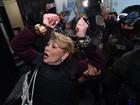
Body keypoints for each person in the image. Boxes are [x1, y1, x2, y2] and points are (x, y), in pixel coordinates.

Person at [10, 14, 78, 105]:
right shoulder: (38, 59)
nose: (47, 48)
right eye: (48, 44)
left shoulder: (66, 81)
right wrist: (44, 27)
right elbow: (17, 45)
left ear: (65, 55)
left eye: (54, 47)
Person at [102, 7, 140, 105]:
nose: (124, 27)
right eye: (123, 24)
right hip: (114, 76)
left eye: (129, 25)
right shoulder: (118, 32)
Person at [69, 16, 106, 105]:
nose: (78, 27)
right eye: (77, 24)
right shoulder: (72, 38)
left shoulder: (94, 39)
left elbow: (101, 59)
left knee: (95, 88)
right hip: (78, 74)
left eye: (81, 24)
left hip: (93, 72)